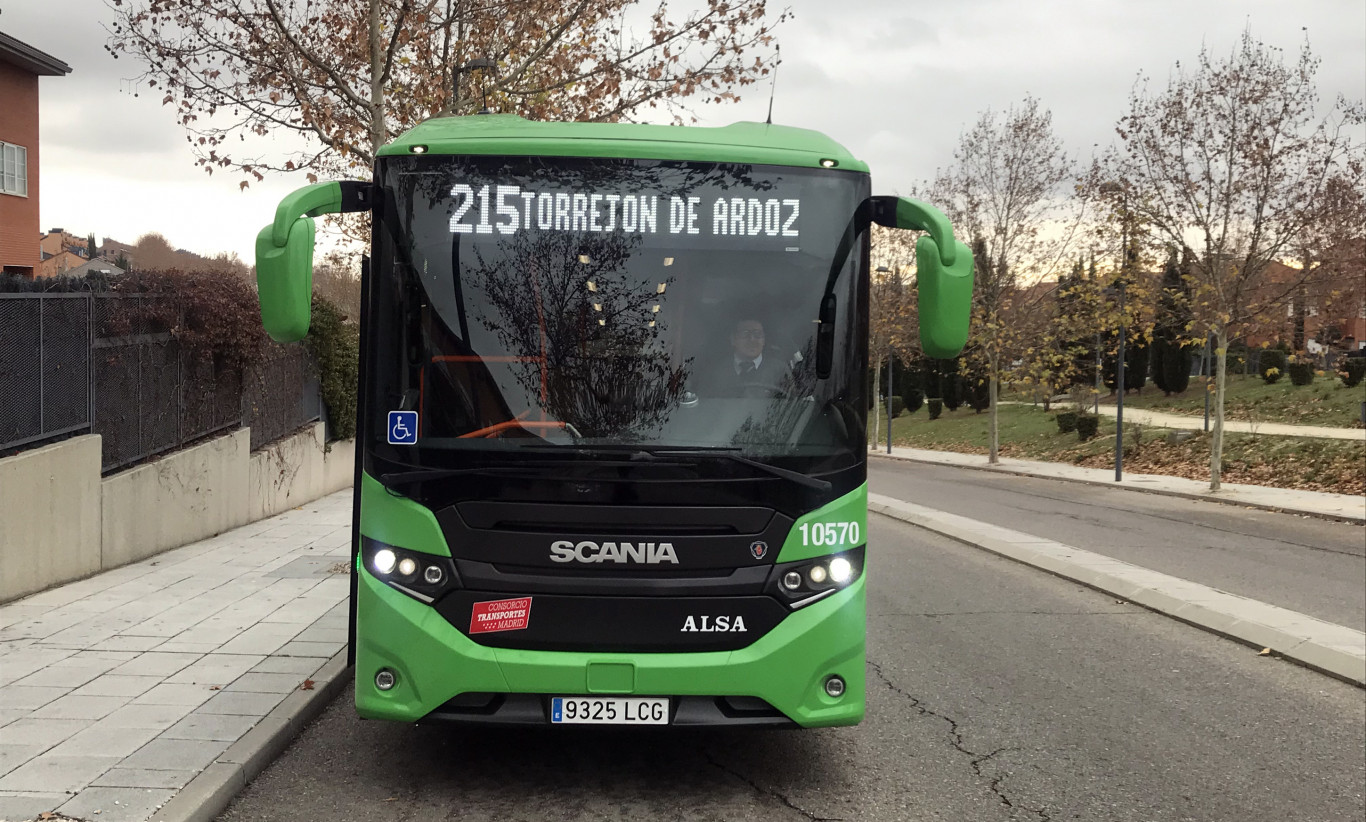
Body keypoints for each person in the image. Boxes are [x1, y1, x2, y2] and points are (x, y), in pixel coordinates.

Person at [699, 318, 790, 396]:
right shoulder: (716, 372)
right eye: (745, 334)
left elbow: (792, 403)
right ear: (733, 340)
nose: (752, 339)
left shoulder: (780, 370)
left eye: (757, 334)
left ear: (764, 341)